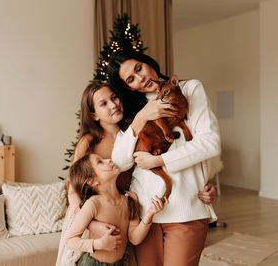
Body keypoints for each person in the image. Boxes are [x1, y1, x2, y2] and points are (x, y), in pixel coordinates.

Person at [55, 81, 216, 266]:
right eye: (104, 104)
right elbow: (73, 188)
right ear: (94, 115)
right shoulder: (89, 142)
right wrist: (90, 222)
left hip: (126, 211)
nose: (113, 104)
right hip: (93, 216)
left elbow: (160, 163)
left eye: (114, 97)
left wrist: (204, 180)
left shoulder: (136, 129)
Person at [107, 49, 221, 266]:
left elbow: (210, 143)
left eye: (139, 68)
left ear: (148, 62)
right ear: (127, 87)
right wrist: (142, 117)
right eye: (131, 79)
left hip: (186, 210)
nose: (140, 79)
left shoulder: (189, 89)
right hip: (145, 215)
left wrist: (159, 161)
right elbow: (120, 162)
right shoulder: (132, 109)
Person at [65, 153, 168, 266]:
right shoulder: (93, 204)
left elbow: (134, 238)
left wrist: (149, 215)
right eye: (100, 162)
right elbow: (69, 240)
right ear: (92, 181)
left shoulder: (130, 199)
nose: (108, 159)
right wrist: (98, 244)